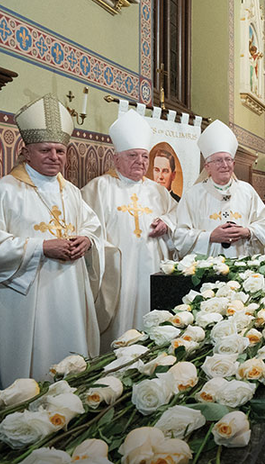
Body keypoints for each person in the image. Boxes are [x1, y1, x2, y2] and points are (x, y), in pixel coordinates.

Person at [0, 95, 109, 386]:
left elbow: (93, 227)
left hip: (72, 294)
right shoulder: (6, 191)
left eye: (61, 151)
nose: (55, 157)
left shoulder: (72, 191)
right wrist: (41, 247)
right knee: (32, 371)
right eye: (46, 150)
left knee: (71, 363)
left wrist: (87, 241)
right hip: (26, 300)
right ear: (26, 152)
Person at [81, 110, 177, 350]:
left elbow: (179, 217)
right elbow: (84, 229)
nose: (141, 162)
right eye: (133, 155)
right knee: (119, 332)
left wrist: (168, 223)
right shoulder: (98, 189)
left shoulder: (159, 191)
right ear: (116, 159)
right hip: (117, 275)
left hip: (152, 271)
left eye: (145, 156)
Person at [173, 120, 265, 257]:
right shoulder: (193, 195)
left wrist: (247, 232)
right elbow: (180, 236)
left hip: (243, 265)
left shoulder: (247, 191)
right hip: (206, 267)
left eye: (228, 159)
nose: (224, 165)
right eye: (218, 160)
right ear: (207, 167)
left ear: (234, 163)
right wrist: (210, 236)